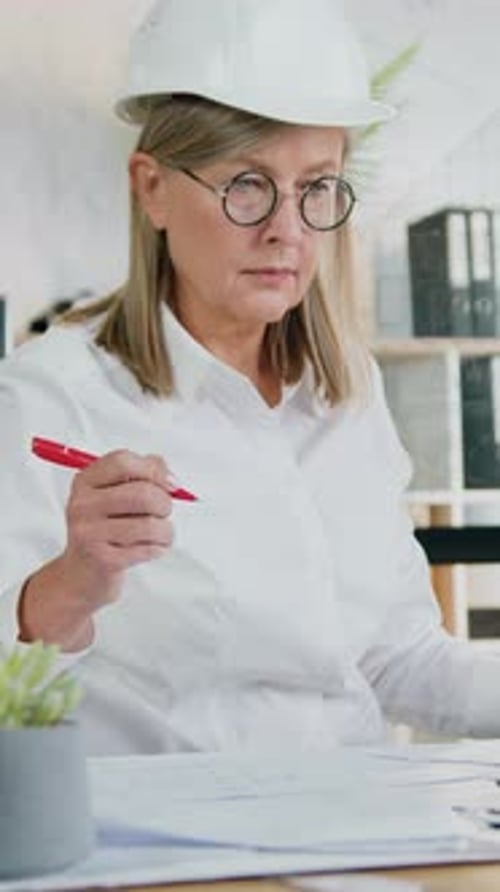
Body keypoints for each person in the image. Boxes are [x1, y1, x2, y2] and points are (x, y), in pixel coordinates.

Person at [1, 0, 499, 756]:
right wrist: (70, 585)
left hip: (360, 830)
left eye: (318, 187)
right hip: (170, 851)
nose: (288, 231)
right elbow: (13, 692)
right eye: (246, 184)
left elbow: (400, 659)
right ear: (152, 188)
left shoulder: (347, 394)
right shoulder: (53, 395)